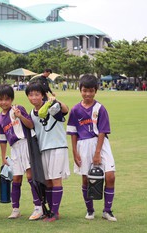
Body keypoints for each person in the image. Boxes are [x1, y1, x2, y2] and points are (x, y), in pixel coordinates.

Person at [66, 74, 117, 222]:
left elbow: (102, 131)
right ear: (80, 90)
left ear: (96, 91)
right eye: (84, 90)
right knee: (86, 179)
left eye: (91, 90)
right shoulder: (75, 110)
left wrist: (97, 152)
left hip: (100, 144)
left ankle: (107, 211)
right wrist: (75, 152)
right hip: (83, 145)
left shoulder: (100, 108)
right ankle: (90, 210)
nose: (87, 94)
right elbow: (73, 133)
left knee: (110, 176)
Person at [0, 84, 43, 220]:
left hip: (26, 144)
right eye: (0, 99)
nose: (3, 102)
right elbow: (2, 140)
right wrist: (3, 157)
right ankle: (15, 209)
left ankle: (38, 207)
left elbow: (31, 125)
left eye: (6, 99)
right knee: (16, 178)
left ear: (12, 99)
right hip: (14, 148)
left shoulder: (18, 109)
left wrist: (20, 116)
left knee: (30, 176)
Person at [25, 81, 70, 222]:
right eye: (30, 95)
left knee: (56, 180)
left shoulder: (51, 106)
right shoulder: (31, 113)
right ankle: (51, 211)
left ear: (43, 95)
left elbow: (65, 110)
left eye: (37, 94)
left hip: (57, 146)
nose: (33, 98)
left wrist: (55, 101)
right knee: (48, 182)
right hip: (43, 149)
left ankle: (55, 213)